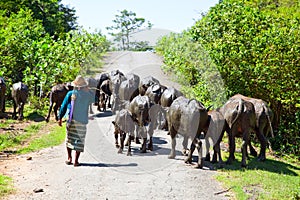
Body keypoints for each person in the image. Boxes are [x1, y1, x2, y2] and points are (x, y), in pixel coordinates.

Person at [58, 75, 94, 167]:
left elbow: (63, 106)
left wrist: (60, 118)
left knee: (69, 138)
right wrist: (89, 90)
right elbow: (95, 100)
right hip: (82, 121)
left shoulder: (70, 94)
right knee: (79, 140)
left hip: (71, 120)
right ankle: (76, 161)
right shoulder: (87, 95)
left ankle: (69, 158)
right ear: (84, 86)